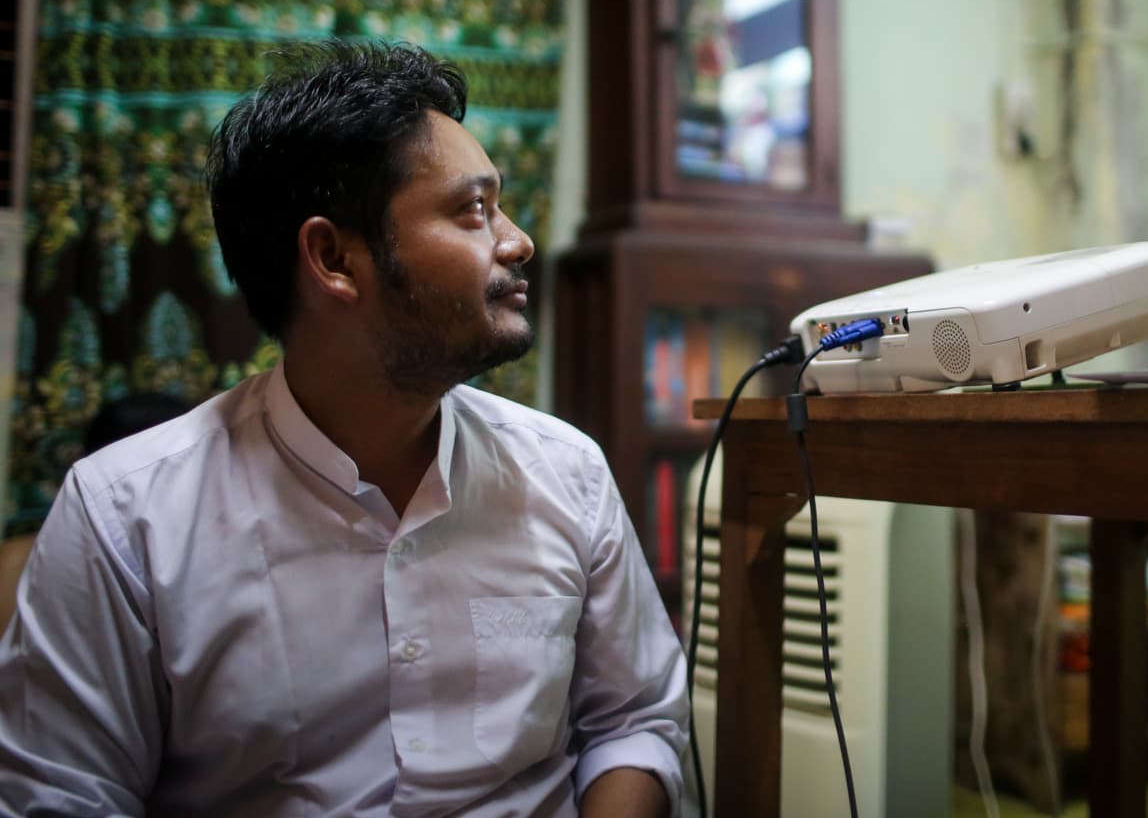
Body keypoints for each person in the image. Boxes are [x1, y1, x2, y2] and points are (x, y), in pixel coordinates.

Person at [0, 41, 688, 817]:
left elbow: (634, 722)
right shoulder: (125, 518)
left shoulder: (567, 472)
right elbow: (61, 795)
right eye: (473, 210)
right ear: (334, 258)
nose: (517, 240)